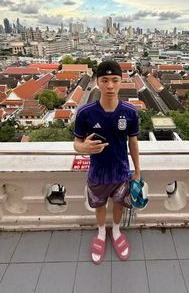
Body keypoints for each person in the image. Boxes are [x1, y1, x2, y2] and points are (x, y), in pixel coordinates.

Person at [74, 60, 140, 264]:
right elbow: (77, 143)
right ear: (97, 82)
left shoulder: (130, 112)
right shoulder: (85, 113)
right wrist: (82, 148)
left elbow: (133, 142)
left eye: (114, 80)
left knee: (119, 204)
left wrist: (137, 170)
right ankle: (102, 232)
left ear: (121, 81)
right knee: (99, 205)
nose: (110, 85)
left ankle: (117, 231)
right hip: (97, 172)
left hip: (121, 171)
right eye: (105, 80)